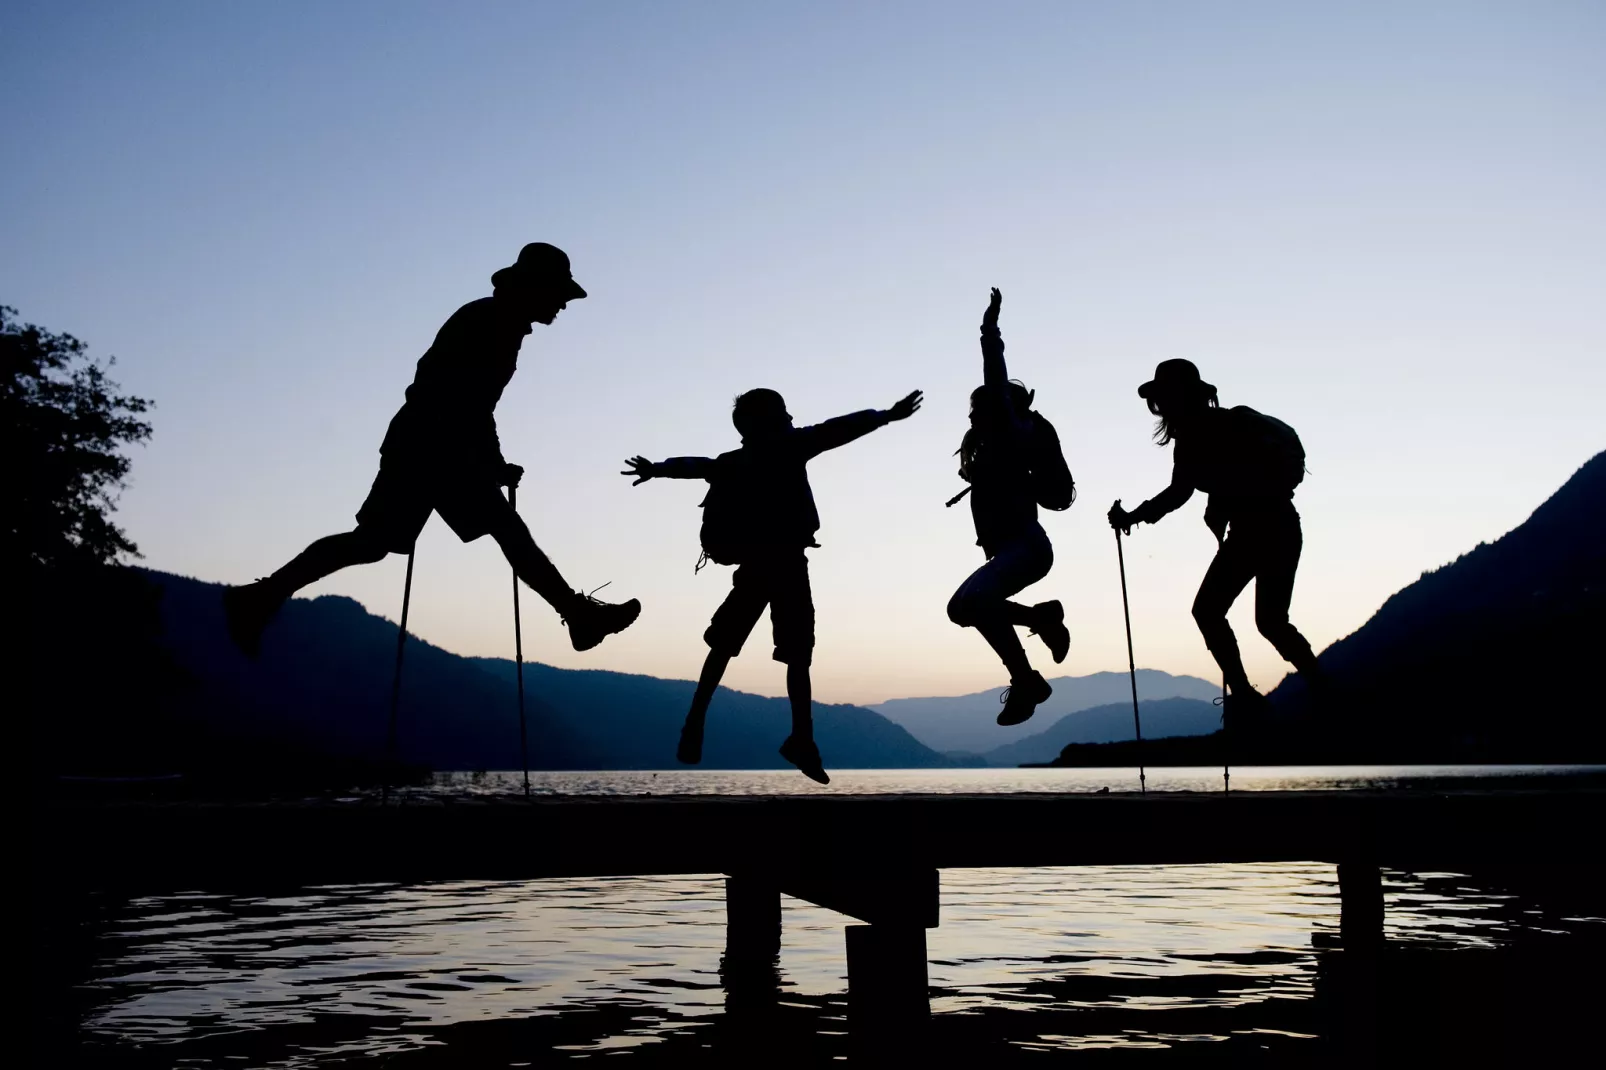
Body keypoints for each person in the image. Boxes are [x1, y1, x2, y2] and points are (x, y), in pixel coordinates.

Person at [223, 242, 641, 657]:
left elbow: (476, 404)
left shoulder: (498, 322)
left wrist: (491, 462)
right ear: (537, 288)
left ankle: (262, 596)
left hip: (428, 445)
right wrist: (486, 461)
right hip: (434, 448)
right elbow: (459, 399)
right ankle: (578, 617)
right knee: (500, 529)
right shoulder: (490, 321)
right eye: (559, 295)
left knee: (373, 543)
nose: (563, 306)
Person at [622, 386, 923, 783]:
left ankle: (698, 722)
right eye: (784, 412)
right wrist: (885, 414)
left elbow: (698, 464)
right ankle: (800, 738)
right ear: (770, 420)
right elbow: (837, 429)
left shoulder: (733, 462)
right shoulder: (788, 447)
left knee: (724, 646)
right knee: (796, 656)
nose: (791, 418)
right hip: (786, 564)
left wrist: (658, 467)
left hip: (755, 566)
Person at [1107, 359, 1322, 722]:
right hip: (1280, 526)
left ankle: (1247, 697)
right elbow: (1184, 491)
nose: (1159, 408)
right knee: (1270, 621)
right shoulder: (1223, 424)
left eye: (1161, 400)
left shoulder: (1198, 435)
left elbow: (1178, 493)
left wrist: (1132, 517)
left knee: (1211, 611)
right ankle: (1321, 690)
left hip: (1255, 532)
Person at [946, 288, 1072, 727]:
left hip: (1029, 548)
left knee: (971, 603)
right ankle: (1031, 661)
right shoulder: (994, 451)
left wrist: (989, 328)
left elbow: (996, 377)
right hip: (1013, 552)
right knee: (966, 608)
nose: (973, 417)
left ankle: (1030, 668)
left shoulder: (1011, 433)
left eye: (979, 409)